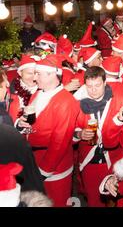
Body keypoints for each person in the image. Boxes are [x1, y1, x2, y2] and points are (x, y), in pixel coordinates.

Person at [16, 54, 80, 207]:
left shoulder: (66, 101)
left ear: (52, 74)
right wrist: (21, 125)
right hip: (34, 161)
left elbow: (60, 141)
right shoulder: (38, 93)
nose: (34, 78)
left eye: (38, 73)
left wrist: (43, 171)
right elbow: (33, 124)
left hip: (54, 168)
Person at [73, 66, 123, 207]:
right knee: (94, 201)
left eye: (97, 85)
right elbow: (67, 132)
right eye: (89, 86)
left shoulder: (117, 100)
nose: (93, 90)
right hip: (89, 161)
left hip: (114, 159)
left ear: (105, 82)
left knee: (119, 200)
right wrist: (79, 134)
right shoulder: (77, 103)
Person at [7, 55, 38, 122]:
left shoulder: (45, 91)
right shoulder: (9, 90)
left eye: (37, 73)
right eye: (30, 73)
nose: (34, 77)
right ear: (20, 73)